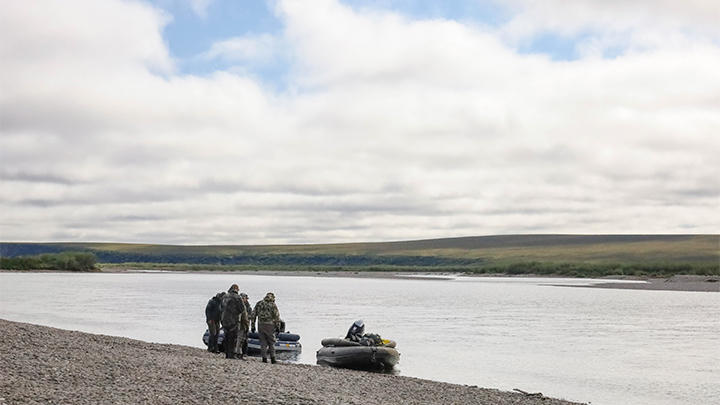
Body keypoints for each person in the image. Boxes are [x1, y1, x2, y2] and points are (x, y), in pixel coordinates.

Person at [251, 292, 281, 364]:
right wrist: (278, 327)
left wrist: (252, 325)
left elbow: (253, 314)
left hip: (261, 324)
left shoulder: (259, 303)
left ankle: (264, 358)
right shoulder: (273, 305)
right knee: (271, 342)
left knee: (263, 342)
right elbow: (277, 317)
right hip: (270, 325)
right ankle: (272, 359)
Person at [221, 284, 247, 360]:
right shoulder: (237, 297)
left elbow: (221, 307)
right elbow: (242, 309)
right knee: (233, 337)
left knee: (226, 336)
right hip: (234, 320)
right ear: (236, 289)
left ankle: (227, 353)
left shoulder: (225, 296)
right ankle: (231, 354)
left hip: (225, 319)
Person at [235, 292, 253, 359]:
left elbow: (250, 315)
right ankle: (238, 353)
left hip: (246, 324)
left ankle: (244, 353)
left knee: (244, 339)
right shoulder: (240, 306)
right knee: (239, 339)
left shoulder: (248, 306)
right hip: (241, 324)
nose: (245, 299)